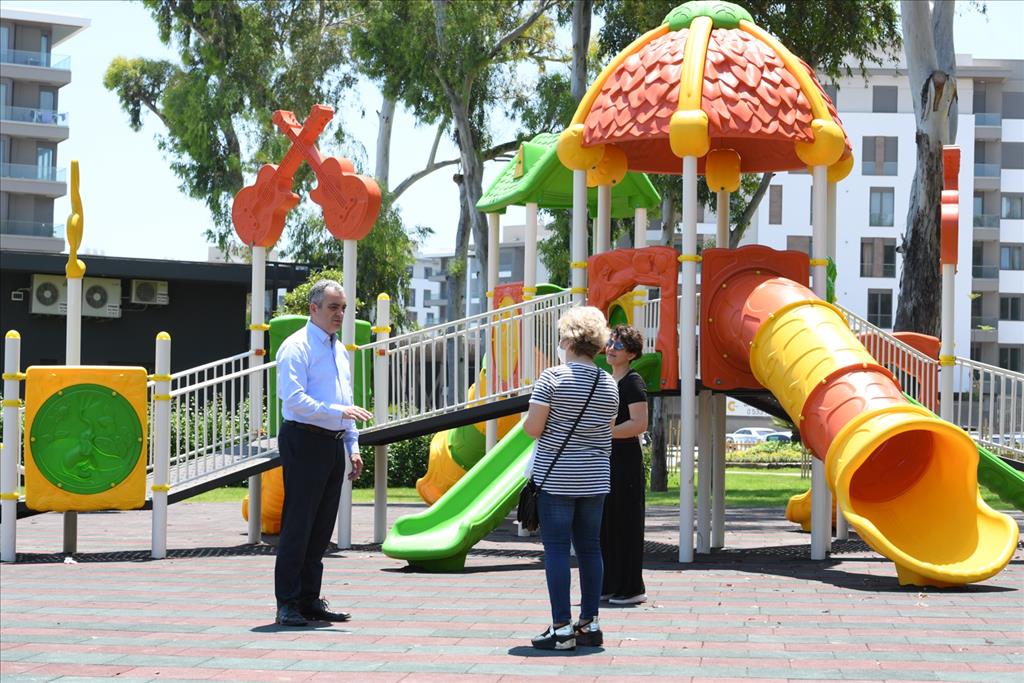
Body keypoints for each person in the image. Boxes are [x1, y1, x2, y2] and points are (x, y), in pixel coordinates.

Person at [273, 279, 373, 626]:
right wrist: (338, 412)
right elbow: (294, 400)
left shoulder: (339, 349)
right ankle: (287, 603)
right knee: (298, 524)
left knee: (321, 527)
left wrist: (352, 445)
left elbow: (347, 400)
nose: (340, 314)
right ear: (313, 308)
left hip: (332, 443)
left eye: (343, 308)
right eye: (333, 307)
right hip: (303, 440)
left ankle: (308, 599)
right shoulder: (296, 347)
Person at [523, 306, 620, 651]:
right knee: (591, 548)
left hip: (558, 478)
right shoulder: (609, 383)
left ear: (568, 339)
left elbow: (533, 428)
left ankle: (561, 628)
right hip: (595, 479)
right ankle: (589, 624)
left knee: (557, 550)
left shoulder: (552, 378)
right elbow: (607, 431)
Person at [601, 325, 650, 605]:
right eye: (610, 343)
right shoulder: (609, 380)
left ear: (631, 354)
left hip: (626, 461)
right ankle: (611, 584)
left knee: (626, 524)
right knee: (608, 524)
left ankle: (631, 588)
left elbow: (639, 424)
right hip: (608, 459)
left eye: (618, 346)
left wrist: (605, 433)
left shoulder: (633, 382)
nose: (611, 348)